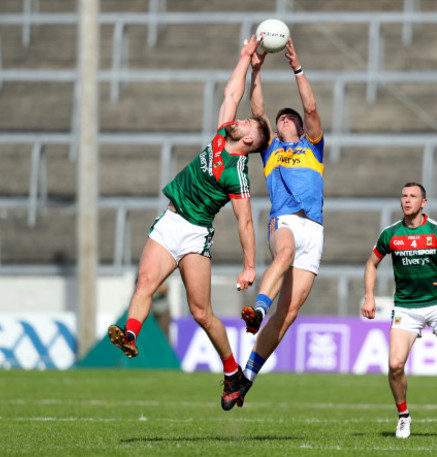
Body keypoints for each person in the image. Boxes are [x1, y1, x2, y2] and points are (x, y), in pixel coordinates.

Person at [108, 35, 271, 412]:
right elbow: (232, 93)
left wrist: (249, 266)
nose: (240, 118)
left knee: (201, 313)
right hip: (170, 222)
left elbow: (245, 223)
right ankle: (131, 336)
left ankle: (233, 372)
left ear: (249, 139)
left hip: (195, 235)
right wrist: (245, 56)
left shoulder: (238, 175)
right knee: (145, 283)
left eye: (246, 121)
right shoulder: (220, 136)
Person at [236, 37, 325, 407]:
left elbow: (311, 105)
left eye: (289, 118)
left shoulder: (313, 146)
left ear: (301, 128)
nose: (282, 119)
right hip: (285, 221)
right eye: (279, 118)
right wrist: (256, 71)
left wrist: (296, 67)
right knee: (284, 253)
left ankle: (246, 376)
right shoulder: (271, 149)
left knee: (288, 316)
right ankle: (258, 308)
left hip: (315, 230)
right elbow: (257, 110)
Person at [361, 182, 437, 439]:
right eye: (404, 196)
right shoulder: (390, 234)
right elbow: (371, 263)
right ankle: (403, 417)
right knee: (395, 365)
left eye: (413, 196)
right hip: (406, 309)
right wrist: (369, 297)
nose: (407, 200)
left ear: (424, 203)